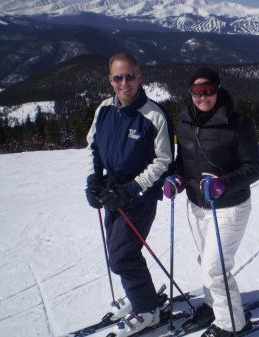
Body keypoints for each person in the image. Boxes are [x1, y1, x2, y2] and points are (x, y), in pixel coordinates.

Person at [164, 67, 259, 337]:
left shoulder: (238, 123)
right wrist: (176, 177)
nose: (202, 96)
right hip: (196, 205)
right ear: (190, 93)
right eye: (196, 91)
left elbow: (254, 168)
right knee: (204, 261)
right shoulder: (183, 122)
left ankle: (232, 325)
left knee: (214, 269)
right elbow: (183, 161)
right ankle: (212, 304)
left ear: (217, 90)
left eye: (208, 90)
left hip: (229, 207)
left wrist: (224, 183)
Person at [85, 52, 175, 337]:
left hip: (140, 196)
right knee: (122, 252)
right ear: (110, 80)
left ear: (140, 76)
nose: (125, 82)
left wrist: (131, 188)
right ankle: (141, 296)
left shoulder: (152, 114)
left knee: (121, 258)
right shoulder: (104, 110)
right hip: (112, 193)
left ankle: (148, 310)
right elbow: (94, 149)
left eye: (130, 76)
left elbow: (163, 161)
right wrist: (93, 181)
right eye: (118, 77)